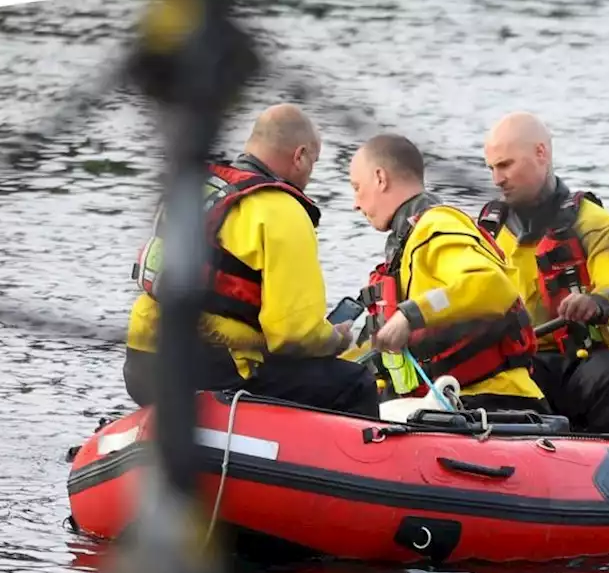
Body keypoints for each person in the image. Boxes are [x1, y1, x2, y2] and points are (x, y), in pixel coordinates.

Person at [123, 103, 380, 417]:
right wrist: (335, 340)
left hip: (143, 362)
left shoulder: (193, 188)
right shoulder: (281, 210)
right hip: (217, 369)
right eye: (313, 162)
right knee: (355, 383)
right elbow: (293, 336)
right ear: (299, 156)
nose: (310, 175)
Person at [347, 132, 550, 414]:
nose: (355, 203)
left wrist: (411, 314)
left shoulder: (437, 224)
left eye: (357, 187)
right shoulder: (407, 244)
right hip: (448, 401)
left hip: (493, 400)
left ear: (380, 178)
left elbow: (493, 286)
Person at [478, 111, 609, 434]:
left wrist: (598, 301)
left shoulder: (596, 224)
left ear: (541, 154)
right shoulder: (485, 232)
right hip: (517, 367)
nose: (496, 179)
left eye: (505, 165)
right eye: (491, 168)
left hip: (581, 362)